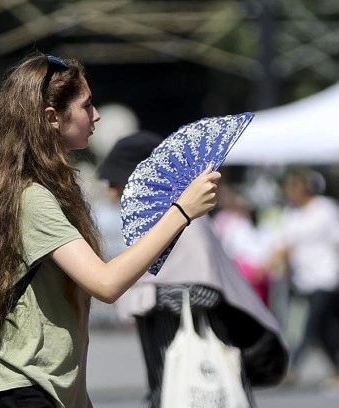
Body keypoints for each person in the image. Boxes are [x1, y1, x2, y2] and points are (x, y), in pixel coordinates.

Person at [0, 52, 221, 408]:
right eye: (87, 105)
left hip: (44, 391)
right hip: (21, 391)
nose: (97, 115)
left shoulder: (43, 192)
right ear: (52, 118)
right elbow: (105, 283)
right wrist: (181, 211)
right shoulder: (32, 199)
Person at [98, 130, 289, 407]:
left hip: (199, 369)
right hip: (169, 372)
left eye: (115, 181)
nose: (111, 191)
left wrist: (146, 294)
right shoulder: (158, 221)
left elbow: (206, 292)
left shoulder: (185, 219)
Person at [275, 168, 339, 386]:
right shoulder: (291, 214)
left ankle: (291, 367)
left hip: (325, 275)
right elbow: (287, 245)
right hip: (303, 278)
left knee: (311, 323)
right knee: (324, 328)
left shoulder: (325, 209)